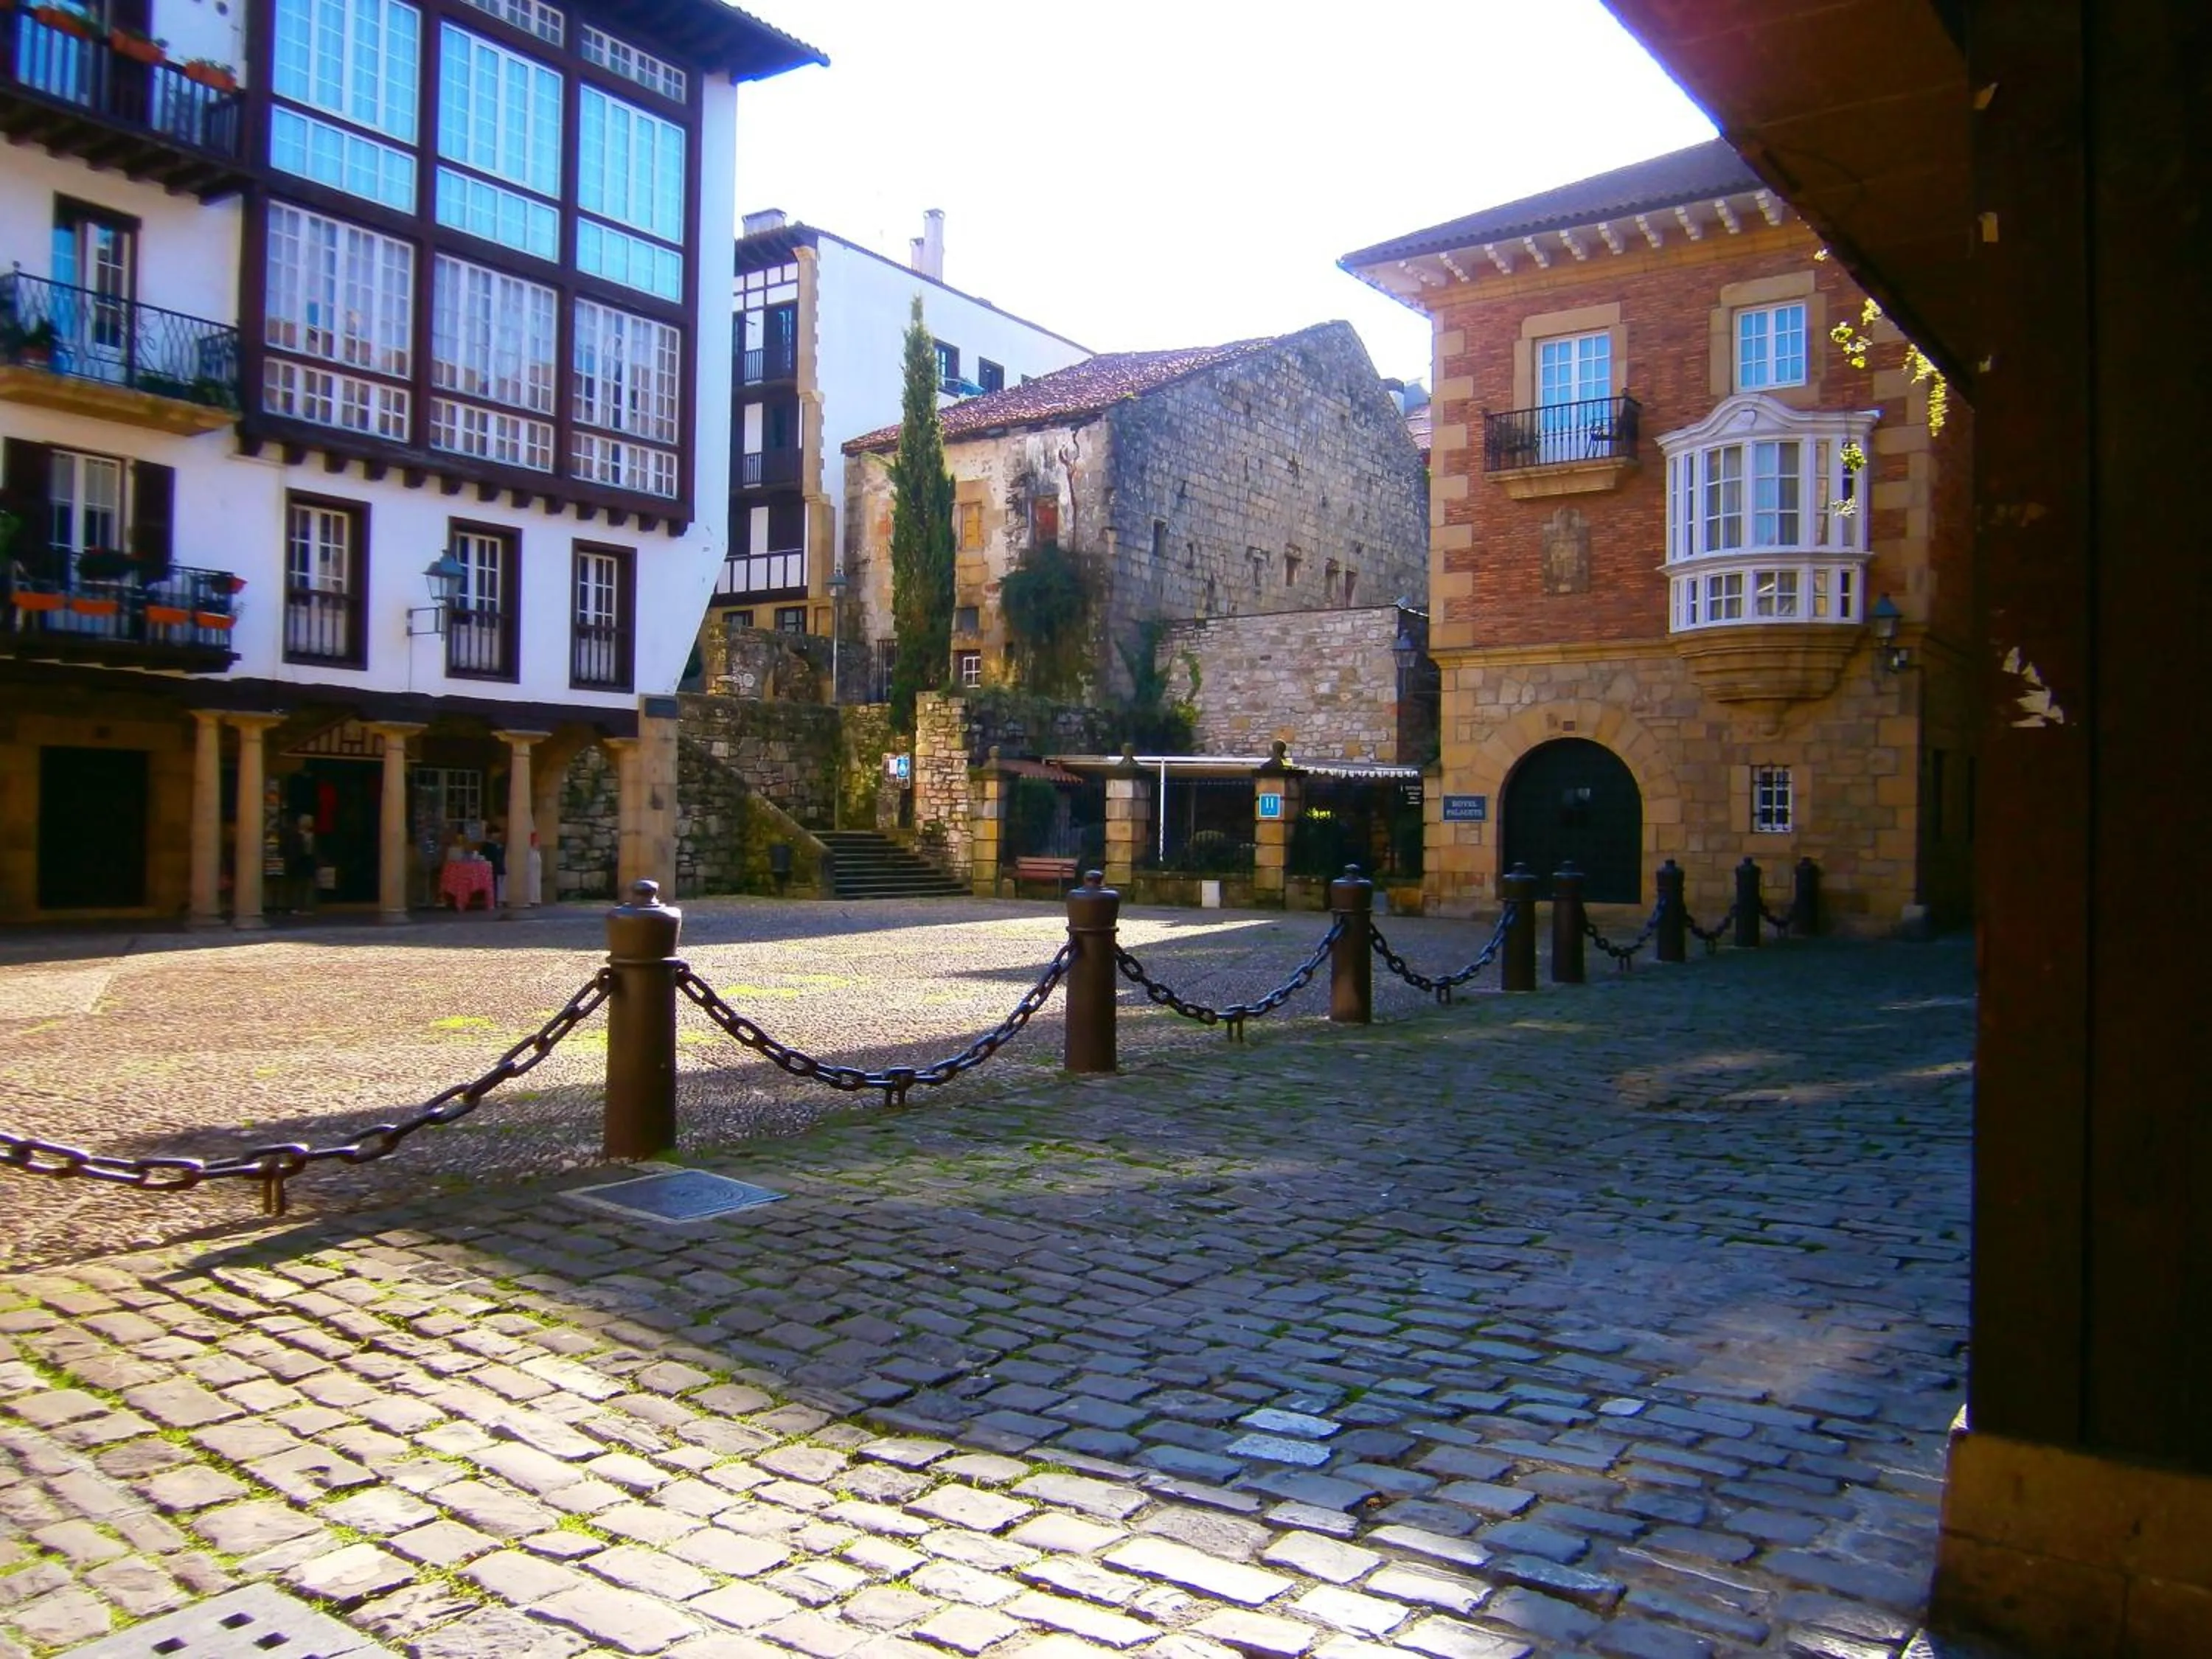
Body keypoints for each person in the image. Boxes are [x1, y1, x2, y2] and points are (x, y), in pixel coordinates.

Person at [284, 814, 318, 915]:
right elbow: (292, 848)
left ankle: (306, 907)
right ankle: (296, 906)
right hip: (298, 861)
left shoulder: (312, 835)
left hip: (309, 860)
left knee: (307, 884)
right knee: (297, 884)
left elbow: (314, 849)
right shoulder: (296, 835)